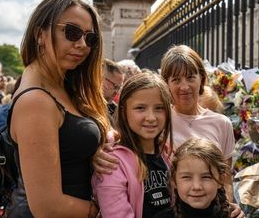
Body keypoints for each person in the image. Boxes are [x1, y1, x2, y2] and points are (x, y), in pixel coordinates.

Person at [6, 0, 109, 217]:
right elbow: (47, 206)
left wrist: (96, 151)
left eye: (90, 38)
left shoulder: (62, 87)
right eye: (71, 32)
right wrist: (105, 210)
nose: (82, 44)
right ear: (40, 34)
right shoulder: (36, 101)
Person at [93, 45, 236, 200]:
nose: (184, 86)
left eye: (190, 77)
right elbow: (121, 137)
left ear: (201, 78)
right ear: (166, 83)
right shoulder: (158, 118)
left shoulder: (222, 124)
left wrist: (228, 208)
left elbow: (226, 179)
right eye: (176, 79)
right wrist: (98, 152)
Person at [92, 72, 173, 218]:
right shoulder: (112, 163)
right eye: (140, 108)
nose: (151, 117)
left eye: (159, 108)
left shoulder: (168, 154)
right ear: (123, 111)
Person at [156, 137, 245, 218]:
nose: (197, 186)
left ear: (221, 180)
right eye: (186, 177)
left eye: (206, 177)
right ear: (174, 181)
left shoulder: (233, 215)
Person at [102, 58, 124, 125]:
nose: (116, 92)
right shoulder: (83, 105)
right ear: (101, 79)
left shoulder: (114, 109)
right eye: (115, 86)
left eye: (119, 88)